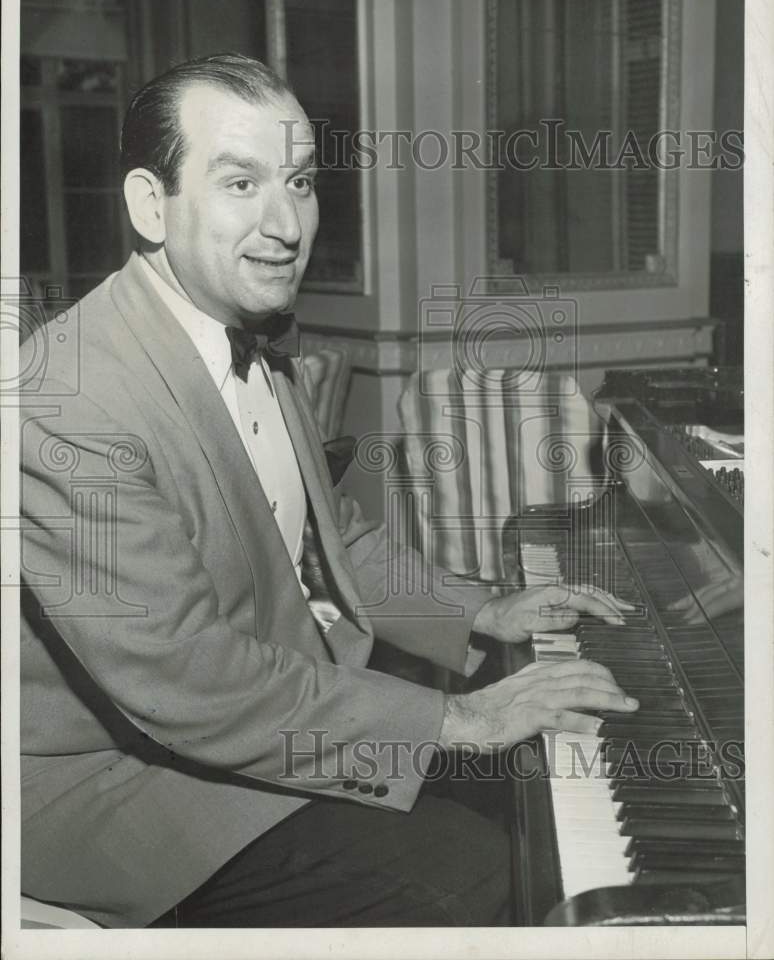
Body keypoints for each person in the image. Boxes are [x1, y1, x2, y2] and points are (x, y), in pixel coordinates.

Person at [19, 53, 636, 929]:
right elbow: (191, 683)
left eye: (300, 183)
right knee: (473, 872)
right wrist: (458, 719)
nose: (285, 224)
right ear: (150, 205)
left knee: (540, 787)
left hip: (255, 718)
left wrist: (480, 613)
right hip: (114, 786)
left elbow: (332, 539)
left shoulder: (251, 329)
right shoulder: (63, 404)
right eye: (241, 183)